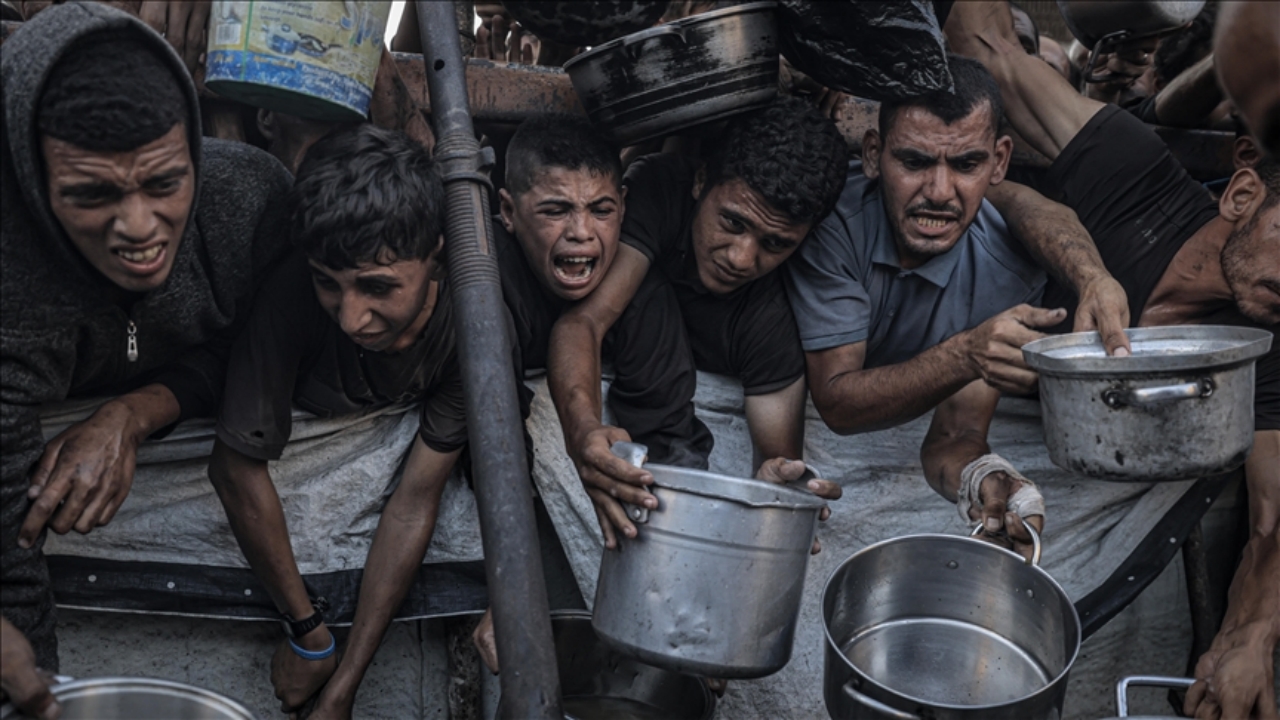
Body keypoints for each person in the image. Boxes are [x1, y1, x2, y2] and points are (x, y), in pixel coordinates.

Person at [946, 4, 1280, 717]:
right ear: (1244, 193)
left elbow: (1270, 522)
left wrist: (1247, 638)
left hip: (1081, 503)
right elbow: (985, 48)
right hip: (957, 426)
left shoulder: (1268, 350)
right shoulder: (1133, 175)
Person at [1, 3, 292, 670]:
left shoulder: (248, 204)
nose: (138, 226)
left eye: (165, 183)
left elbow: (270, 357)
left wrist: (132, 416)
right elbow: (9, 552)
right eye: (90, 194)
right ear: (29, 175)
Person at [785, 56, 1131, 558]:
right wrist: (965, 354)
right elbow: (836, 401)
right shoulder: (835, 223)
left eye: (966, 164)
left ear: (999, 161)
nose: (939, 193)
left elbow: (955, 436)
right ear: (873, 154)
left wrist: (987, 480)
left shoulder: (1009, 268)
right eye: (915, 162)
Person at [206, 125, 465, 719]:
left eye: (377, 288)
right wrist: (308, 631)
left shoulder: (472, 326)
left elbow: (413, 501)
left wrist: (346, 683)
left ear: (437, 259)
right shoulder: (291, 294)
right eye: (330, 284)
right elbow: (235, 467)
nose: (350, 317)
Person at [547, 97, 847, 548]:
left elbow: (779, 462)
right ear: (701, 180)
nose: (741, 258)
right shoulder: (660, 193)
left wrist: (779, 488)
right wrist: (585, 431)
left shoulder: (769, 321)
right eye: (732, 222)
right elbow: (584, 323)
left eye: (775, 243)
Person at [472, 113, 713, 672]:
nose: (582, 233)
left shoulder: (638, 290)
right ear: (507, 212)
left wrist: (686, 596)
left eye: (600, 210)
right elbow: (489, 433)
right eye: (556, 210)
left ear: (623, 207)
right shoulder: (485, 279)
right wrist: (506, 587)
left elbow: (671, 432)